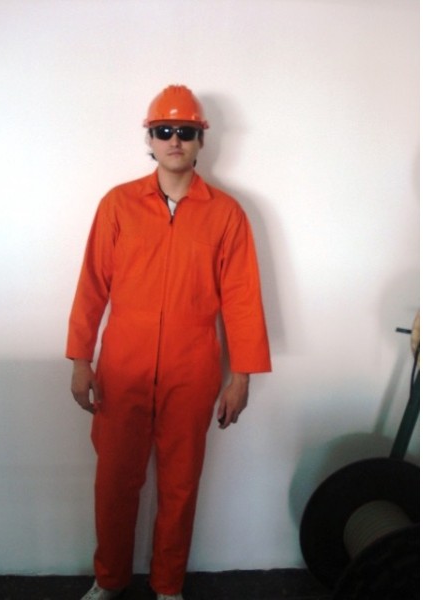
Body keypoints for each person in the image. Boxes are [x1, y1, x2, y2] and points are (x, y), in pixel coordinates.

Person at [66, 84, 271, 600]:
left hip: (192, 368)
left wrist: (241, 375)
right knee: (115, 482)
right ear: (150, 140)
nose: (174, 140)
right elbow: (92, 286)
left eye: (185, 131)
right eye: (164, 131)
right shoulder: (118, 205)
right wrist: (80, 359)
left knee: (180, 485)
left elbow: (243, 298)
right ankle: (110, 579)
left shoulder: (226, 214)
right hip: (122, 368)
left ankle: (168, 586)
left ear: (201, 140)